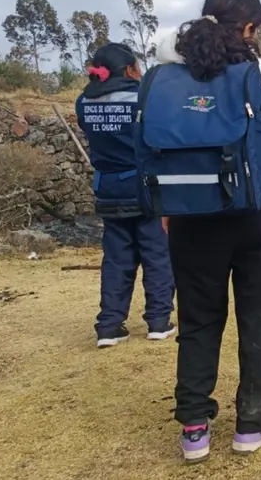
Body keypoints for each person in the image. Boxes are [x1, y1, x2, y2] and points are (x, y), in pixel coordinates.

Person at [154, 0, 261, 464]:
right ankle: (252, 425)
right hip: (258, 209)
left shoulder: (169, 66)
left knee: (198, 320)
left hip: (190, 213)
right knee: (260, 319)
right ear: (248, 27)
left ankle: (194, 431)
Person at [75, 43, 175, 348]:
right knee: (157, 255)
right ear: (130, 69)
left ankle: (109, 326)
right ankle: (158, 321)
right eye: (138, 66)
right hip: (145, 189)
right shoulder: (141, 97)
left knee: (117, 259)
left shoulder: (83, 102)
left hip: (108, 190)